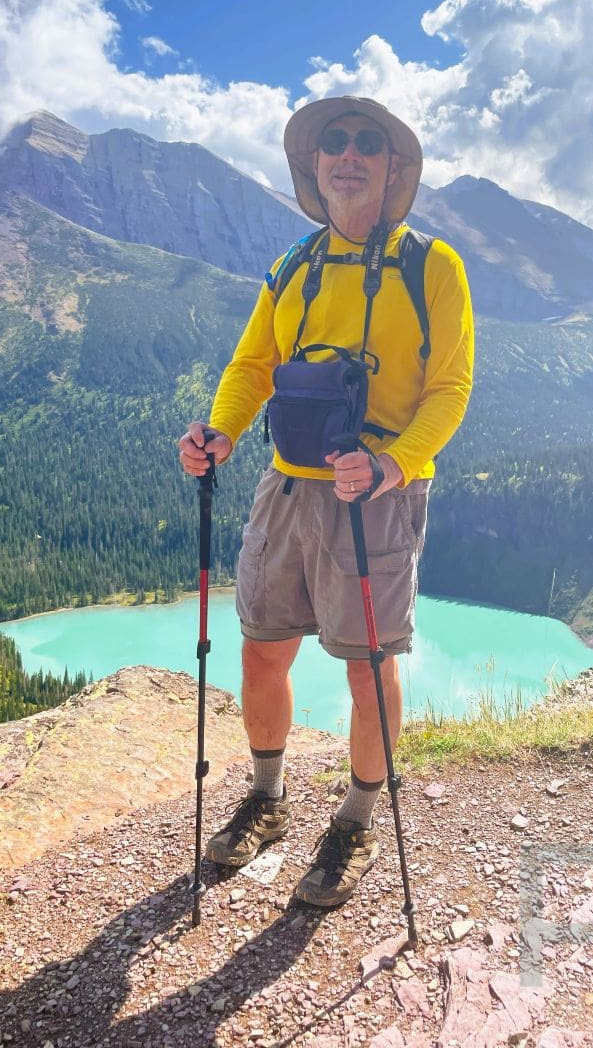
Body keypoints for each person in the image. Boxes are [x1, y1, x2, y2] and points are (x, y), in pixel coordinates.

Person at [178, 95, 473, 907]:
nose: (347, 154)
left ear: (391, 166)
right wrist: (221, 433)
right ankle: (268, 799)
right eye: (333, 144)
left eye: (366, 144)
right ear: (314, 166)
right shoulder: (294, 266)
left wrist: (394, 464)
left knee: (369, 669)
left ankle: (356, 821)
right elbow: (252, 366)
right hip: (287, 484)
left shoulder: (432, 266)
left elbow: (451, 387)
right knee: (261, 649)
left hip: (377, 496)